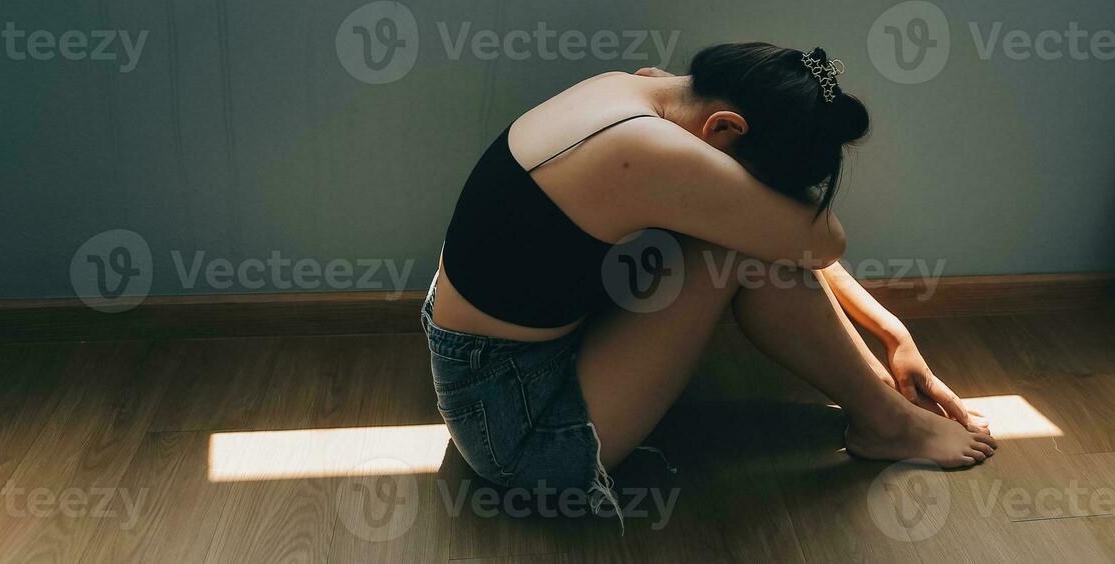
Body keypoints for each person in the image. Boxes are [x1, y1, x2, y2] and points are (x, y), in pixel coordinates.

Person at [422, 42, 995, 520]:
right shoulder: (642, 151)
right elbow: (822, 242)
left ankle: (885, 410)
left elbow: (775, 232)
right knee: (736, 250)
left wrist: (893, 334)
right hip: (519, 431)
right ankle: (886, 423)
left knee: (737, 238)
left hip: (491, 363)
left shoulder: (635, 89)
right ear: (724, 127)